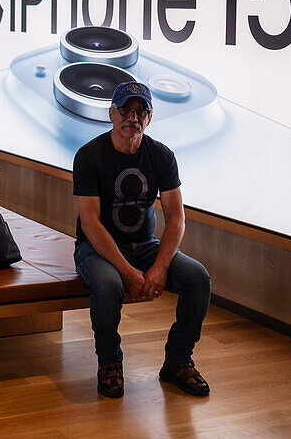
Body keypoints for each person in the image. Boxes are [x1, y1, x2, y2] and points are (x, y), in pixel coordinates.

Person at [72, 81, 212, 399]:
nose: (132, 117)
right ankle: (110, 363)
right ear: (111, 113)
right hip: (95, 248)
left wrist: (160, 267)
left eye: (141, 110)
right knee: (108, 286)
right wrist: (126, 271)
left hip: (145, 246)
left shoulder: (161, 156)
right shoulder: (89, 156)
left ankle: (178, 361)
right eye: (125, 109)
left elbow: (177, 218)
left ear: (149, 118)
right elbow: (90, 222)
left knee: (197, 277)